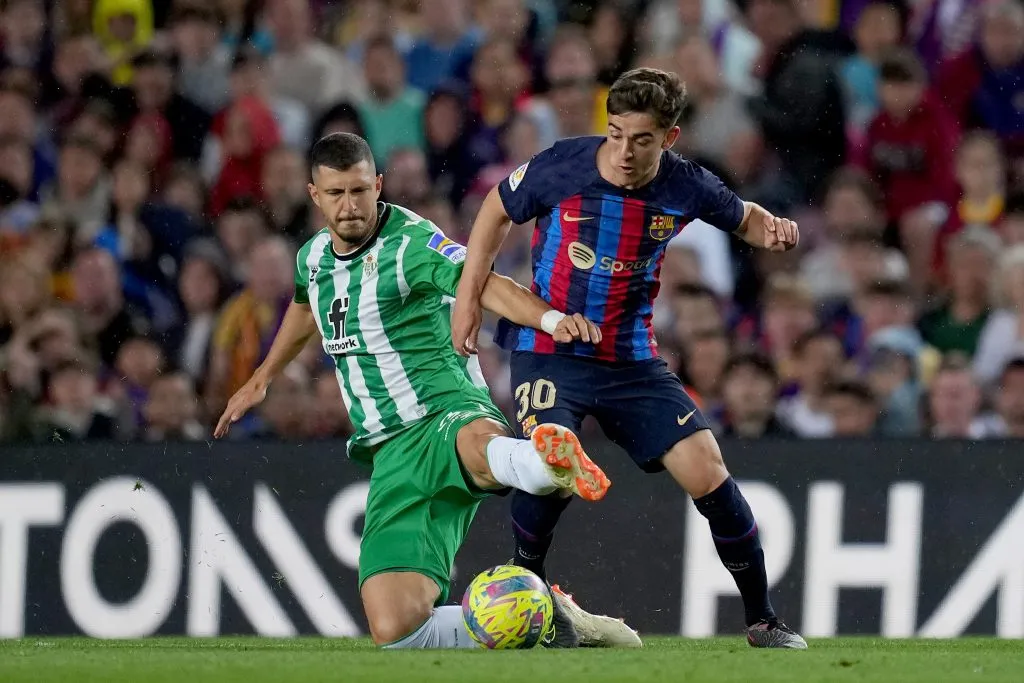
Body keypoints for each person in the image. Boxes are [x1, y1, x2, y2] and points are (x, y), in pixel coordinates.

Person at [214, 132, 630, 650]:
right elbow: (305, 308)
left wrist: (548, 318)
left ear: (379, 185)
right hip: (389, 451)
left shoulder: (411, 242)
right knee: (397, 631)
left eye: (361, 191)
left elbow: (480, 282)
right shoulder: (312, 259)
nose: (350, 206)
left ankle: (546, 463)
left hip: (445, 408)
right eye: (337, 194)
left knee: (474, 449)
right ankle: (543, 615)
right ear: (314, 195)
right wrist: (262, 377)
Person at [452, 67, 807, 649]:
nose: (622, 151)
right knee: (552, 463)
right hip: (550, 349)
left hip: (631, 360)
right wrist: (469, 300)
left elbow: (745, 217)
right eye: (615, 133)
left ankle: (763, 621)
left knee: (707, 469)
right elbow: (495, 209)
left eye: (640, 139)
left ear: (667, 139)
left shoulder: (687, 184)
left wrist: (771, 230)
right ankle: (530, 587)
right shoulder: (562, 164)